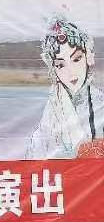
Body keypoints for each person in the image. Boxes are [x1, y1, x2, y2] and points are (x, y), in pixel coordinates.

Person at [26, 16, 104, 159]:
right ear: (53, 69)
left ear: (88, 57)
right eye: (60, 65)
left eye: (76, 59)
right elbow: (35, 155)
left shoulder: (100, 104)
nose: (70, 72)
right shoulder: (52, 108)